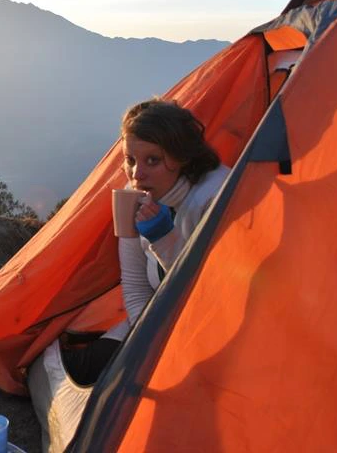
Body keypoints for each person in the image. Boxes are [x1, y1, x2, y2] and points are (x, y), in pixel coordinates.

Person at [60, 97, 230, 385]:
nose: (137, 174)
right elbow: (135, 280)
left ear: (183, 157)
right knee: (80, 367)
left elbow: (211, 295)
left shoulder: (216, 198)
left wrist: (164, 238)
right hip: (157, 318)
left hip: (210, 329)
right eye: (130, 160)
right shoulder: (134, 194)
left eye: (153, 160)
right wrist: (146, 339)